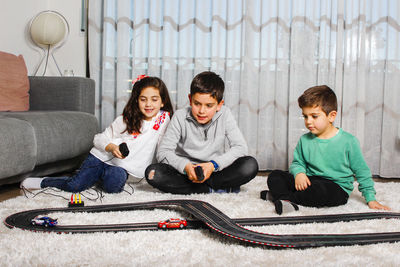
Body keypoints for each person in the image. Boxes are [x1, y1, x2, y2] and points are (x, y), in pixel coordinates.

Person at [20, 75, 173, 193]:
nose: (148, 104)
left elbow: (166, 145)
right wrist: (112, 147)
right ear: (136, 100)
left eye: (154, 99)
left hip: (121, 167)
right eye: (143, 99)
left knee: (113, 187)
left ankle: (96, 177)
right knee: (75, 186)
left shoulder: (165, 119)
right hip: (101, 157)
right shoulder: (127, 120)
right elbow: (99, 138)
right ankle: (42, 182)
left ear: (162, 102)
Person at [261, 85, 390, 214]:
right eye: (305, 116)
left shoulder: (349, 141)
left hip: (336, 188)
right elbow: (297, 163)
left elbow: (362, 172)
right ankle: (285, 200)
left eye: (314, 116)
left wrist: (371, 199)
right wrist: (299, 173)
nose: (308, 121)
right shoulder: (304, 140)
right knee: (275, 176)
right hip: (309, 181)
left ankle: (282, 198)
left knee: (318, 190)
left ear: (331, 116)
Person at [145, 71, 258, 194]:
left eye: (209, 105)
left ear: (219, 105)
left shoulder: (225, 114)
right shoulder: (179, 116)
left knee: (250, 165)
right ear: (190, 99)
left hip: (215, 170)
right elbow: (163, 152)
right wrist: (185, 167)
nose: (202, 111)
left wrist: (213, 165)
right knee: (153, 173)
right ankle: (214, 189)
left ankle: (200, 188)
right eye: (197, 104)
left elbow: (240, 148)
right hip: (186, 173)